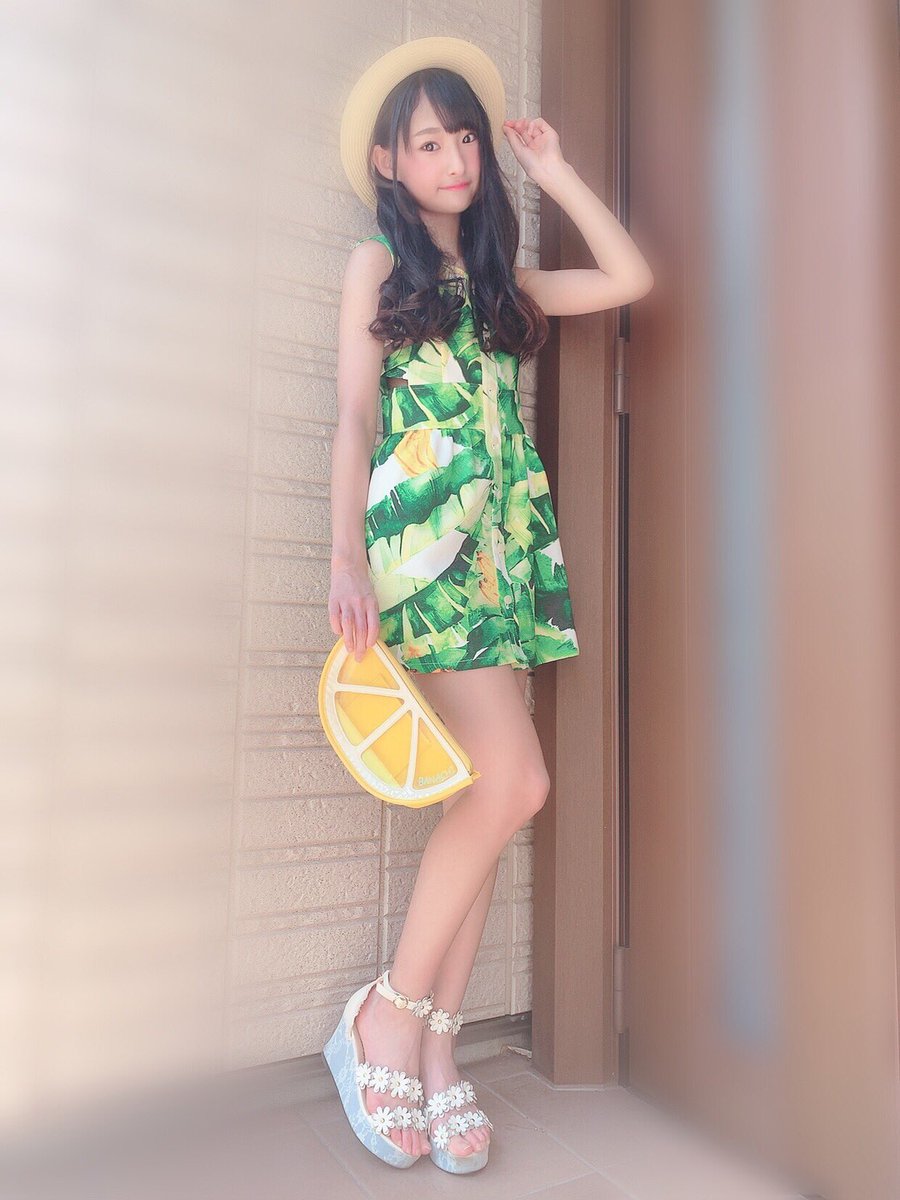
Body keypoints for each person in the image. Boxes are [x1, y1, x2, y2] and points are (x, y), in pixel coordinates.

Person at [323, 36, 653, 1175]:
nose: (455, 158)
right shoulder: (377, 267)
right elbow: (356, 421)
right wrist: (345, 560)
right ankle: (385, 1018)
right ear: (388, 161)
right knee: (518, 783)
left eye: (465, 137)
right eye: (429, 143)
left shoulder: (504, 284)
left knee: (490, 795)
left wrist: (553, 171)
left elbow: (628, 278)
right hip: (424, 555)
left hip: (505, 561)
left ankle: (436, 1049)